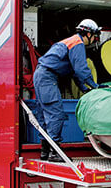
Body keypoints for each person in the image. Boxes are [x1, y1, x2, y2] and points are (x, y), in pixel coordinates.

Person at [33, 19, 105, 161]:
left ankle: (45, 151)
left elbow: (74, 72)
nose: (94, 39)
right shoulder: (77, 43)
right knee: (56, 113)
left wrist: (85, 89)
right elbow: (81, 69)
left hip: (42, 76)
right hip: (47, 77)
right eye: (95, 36)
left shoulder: (71, 42)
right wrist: (95, 86)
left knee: (45, 114)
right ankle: (55, 153)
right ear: (88, 33)